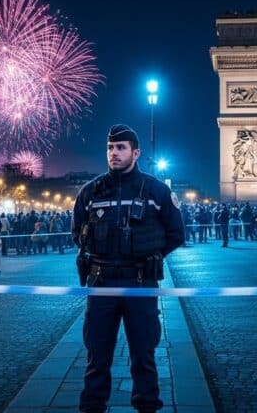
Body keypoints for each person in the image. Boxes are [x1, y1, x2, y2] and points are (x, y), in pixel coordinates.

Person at [73, 124, 185, 413]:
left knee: (144, 356)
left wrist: (151, 257)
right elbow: (77, 233)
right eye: (110, 148)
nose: (114, 153)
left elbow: (176, 234)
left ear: (136, 153)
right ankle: (93, 407)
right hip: (101, 283)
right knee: (97, 356)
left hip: (139, 282)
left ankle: (147, 407)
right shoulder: (90, 192)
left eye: (121, 147)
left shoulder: (157, 191)